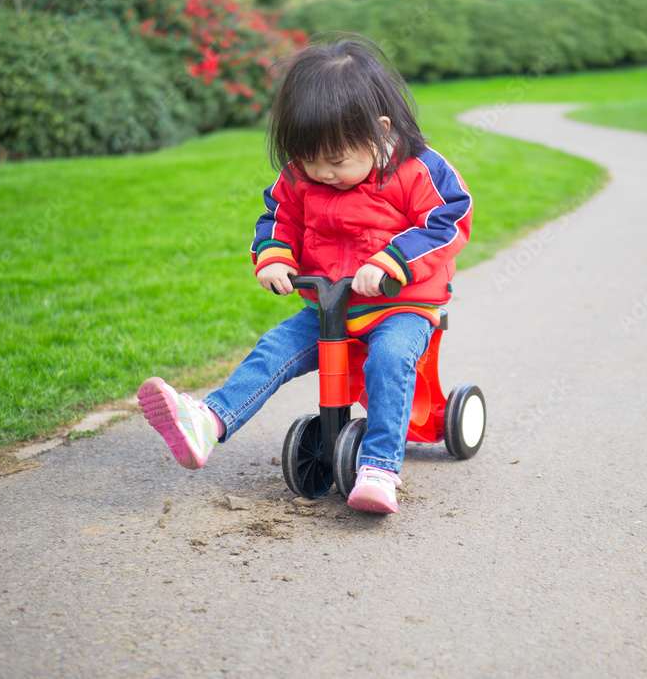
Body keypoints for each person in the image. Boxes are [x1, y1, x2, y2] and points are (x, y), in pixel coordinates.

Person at [138, 34, 472, 514]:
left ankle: (379, 466)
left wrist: (393, 261)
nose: (322, 174)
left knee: (389, 361)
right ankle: (208, 421)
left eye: (335, 161)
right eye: (309, 161)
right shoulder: (301, 174)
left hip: (401, 304)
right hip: (329, 303)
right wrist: (274, 256)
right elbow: (278, 217)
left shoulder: (418, 169)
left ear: (379, 131)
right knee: (273, 349)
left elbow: (450, 219)